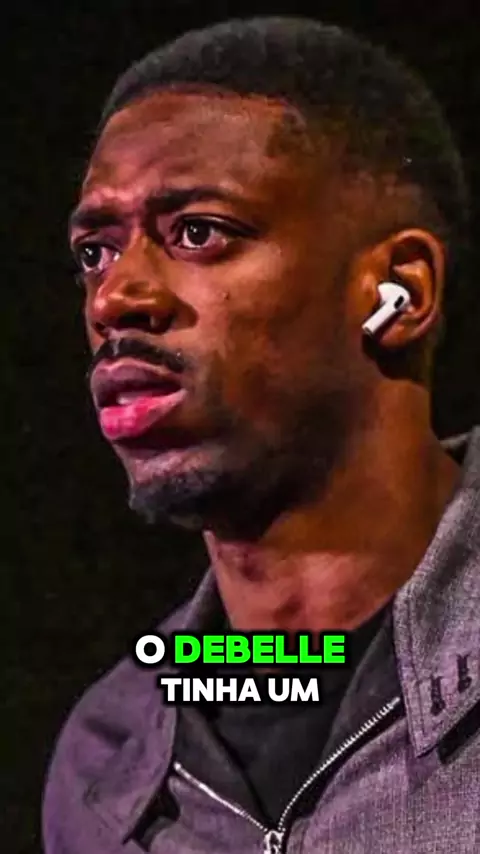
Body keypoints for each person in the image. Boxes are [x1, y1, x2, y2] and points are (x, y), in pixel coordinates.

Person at [42, 16, 480, 854]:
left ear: (398, 292)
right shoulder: (105, 759)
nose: (114, 299)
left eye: (198, 231)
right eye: (95, 252)